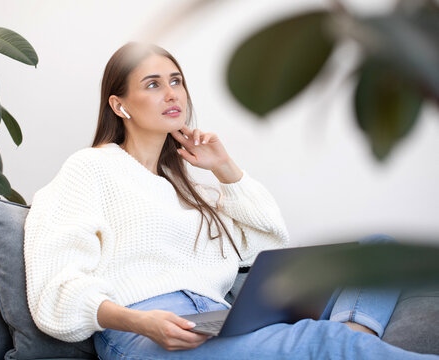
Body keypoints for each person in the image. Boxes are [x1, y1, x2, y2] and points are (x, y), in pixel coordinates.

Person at [23, 42, 438, 359]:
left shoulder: (191, 189)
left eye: (176, 80)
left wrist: (226, 170)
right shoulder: (89, 168)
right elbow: (54, 289)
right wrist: (140, 321)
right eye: (153, 84)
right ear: (119, 105)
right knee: (321, 339)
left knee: (379, 250)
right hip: (144, 337)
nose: (172, 94)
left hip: (220, 321)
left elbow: (269, 243)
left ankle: (352, 343)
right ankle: (340, 347)